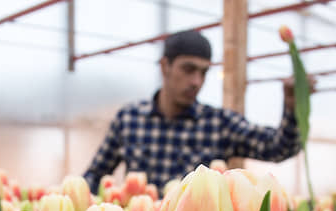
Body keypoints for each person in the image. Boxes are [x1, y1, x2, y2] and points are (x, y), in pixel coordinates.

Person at [83, 30, 306, 194]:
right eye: (188, 69)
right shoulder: (129, 119)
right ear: (165, 66)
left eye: (203, 72)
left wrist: (293, 109)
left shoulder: (219, 124)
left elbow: (278, 147)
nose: (196, 81)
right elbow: (95, 174)